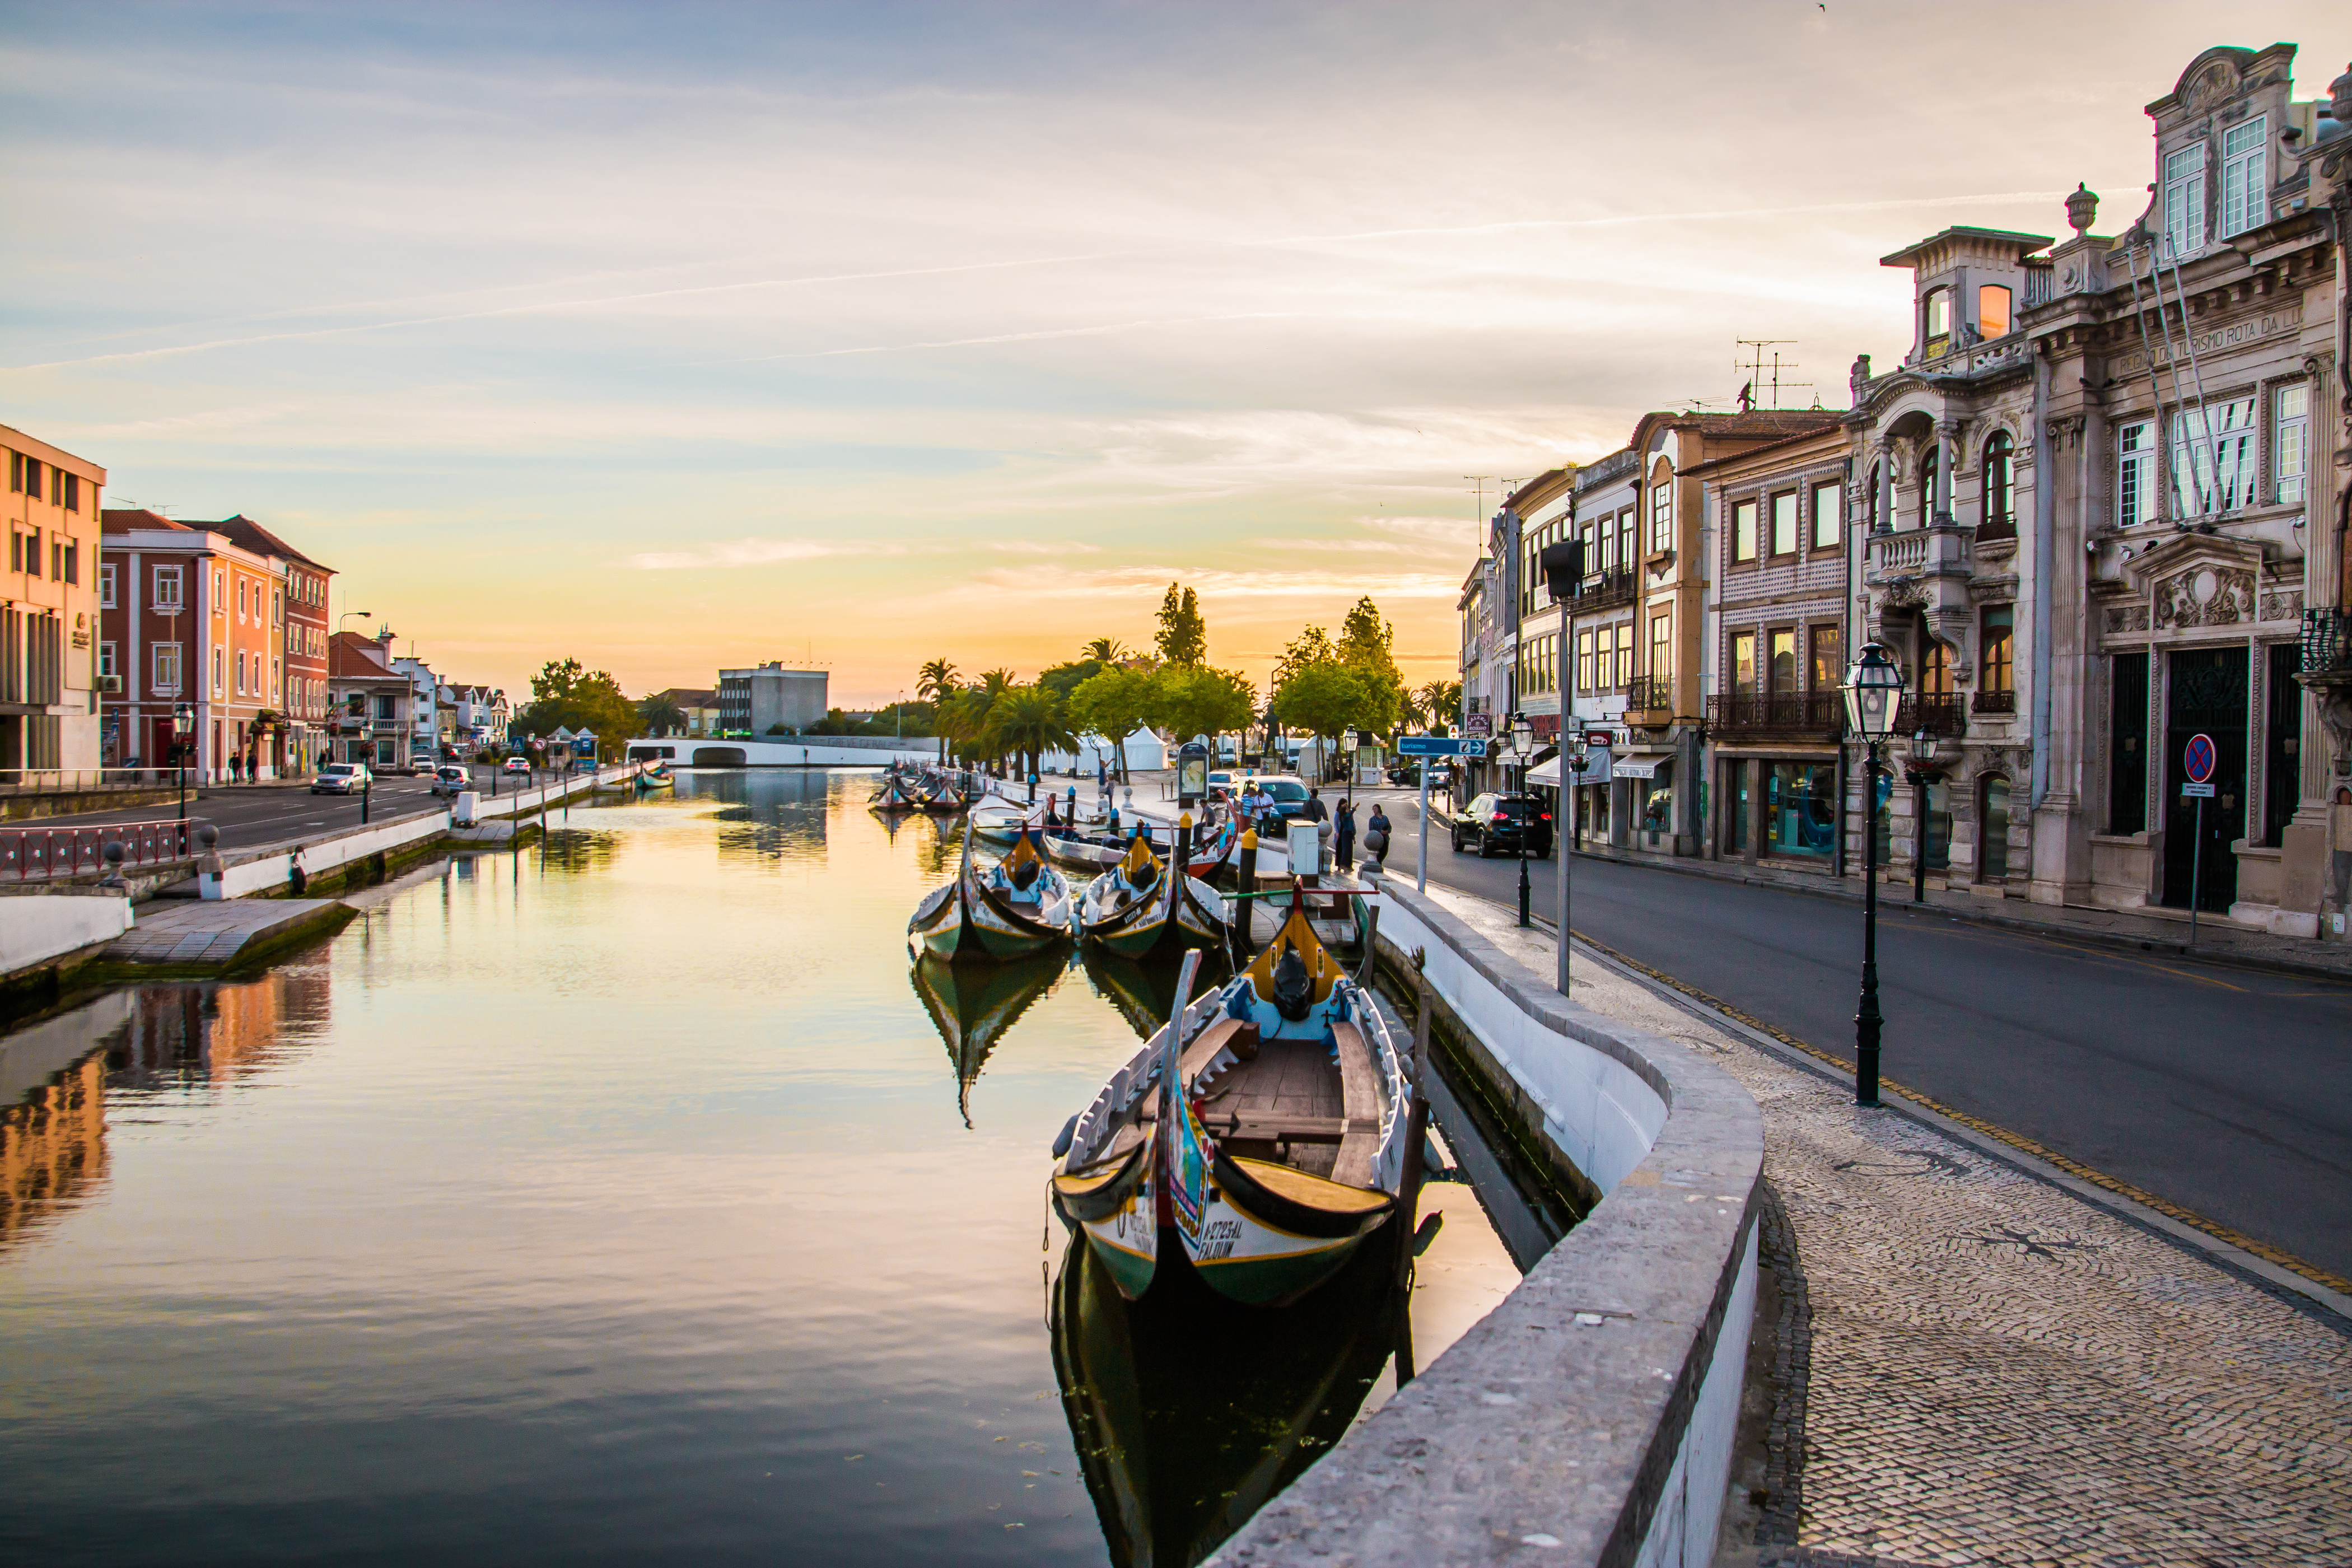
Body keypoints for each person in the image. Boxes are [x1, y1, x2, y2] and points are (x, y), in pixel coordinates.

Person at [1334, 797, 1357, 872]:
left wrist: (1354, 833)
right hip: (1341, 832)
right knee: (1341, 849)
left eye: (1346, 804)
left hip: (1348, 832)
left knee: (1348, 849)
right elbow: (1336, 823)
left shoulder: (1347, 813)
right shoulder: (1339, 813)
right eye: (1344, 804)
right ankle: (1341, 865)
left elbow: (1352, 822)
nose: (1345, 805)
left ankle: (1348, 865)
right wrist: (1337, 832)